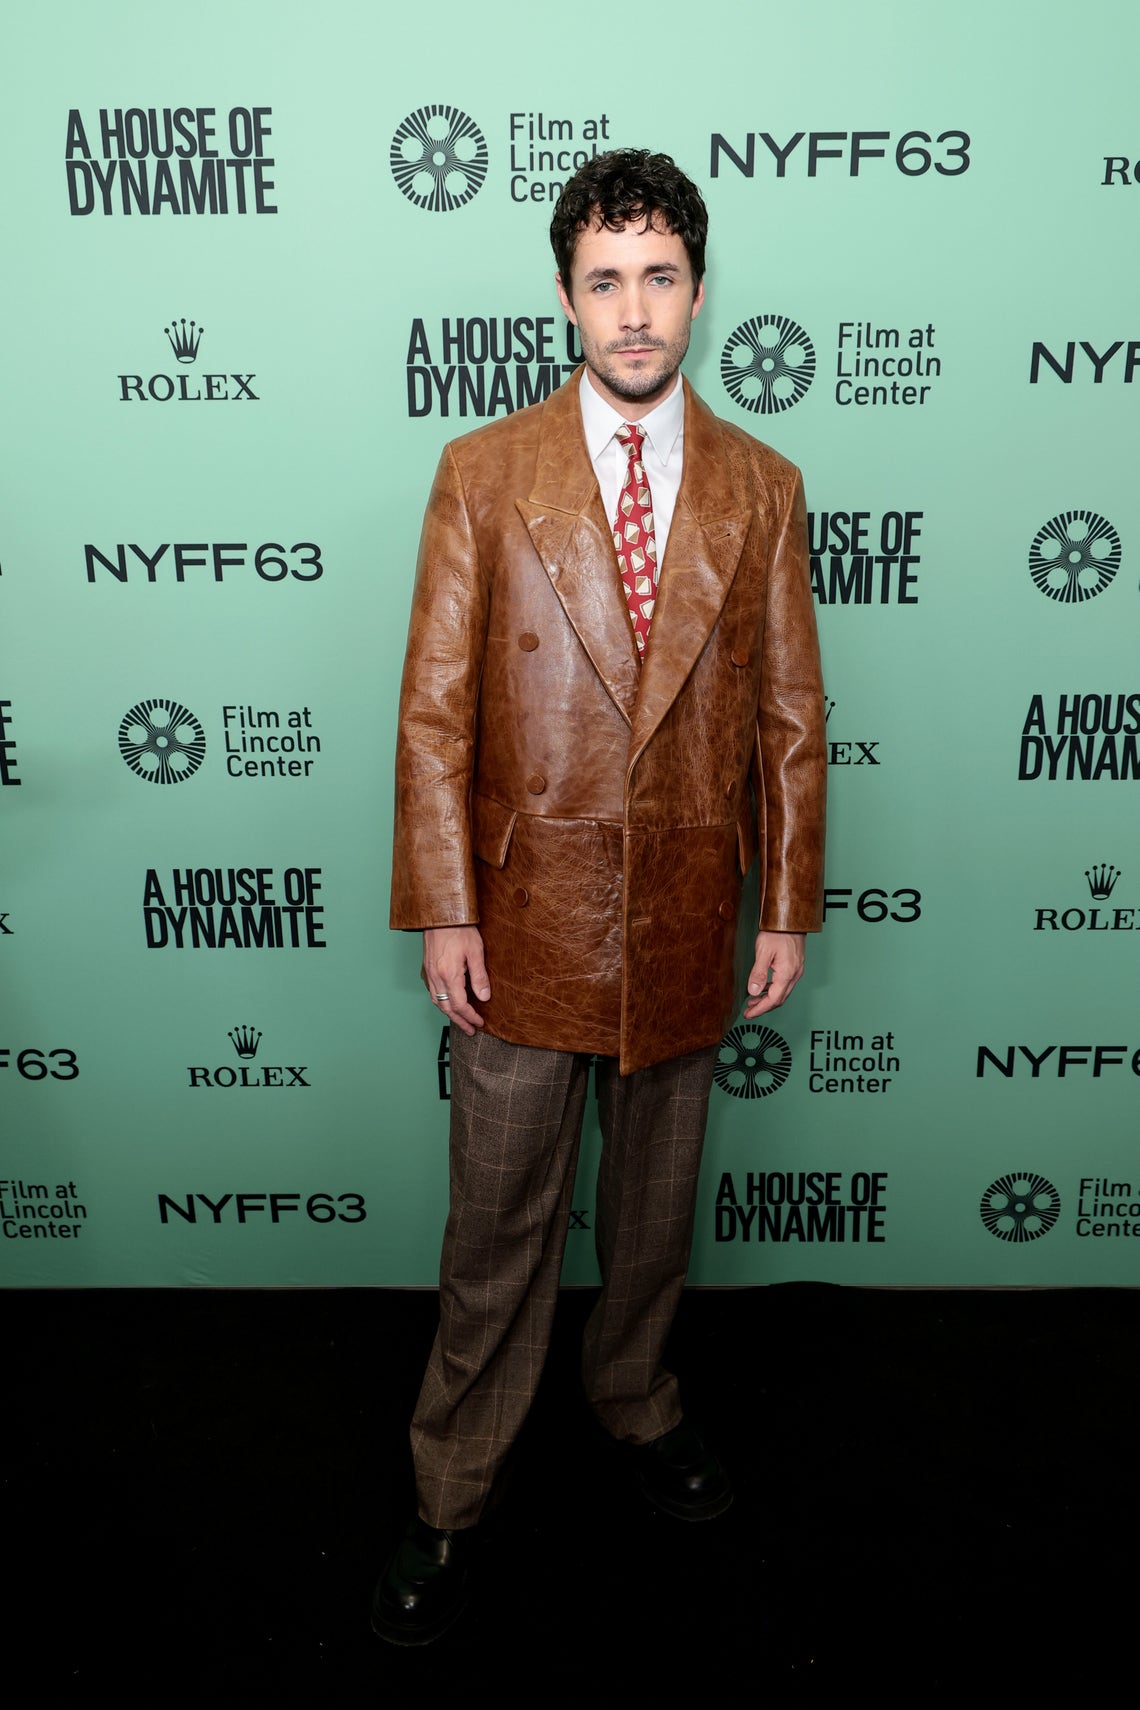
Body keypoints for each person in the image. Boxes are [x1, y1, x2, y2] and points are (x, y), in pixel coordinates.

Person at [374, 148, 826, 1646]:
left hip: (689, 913)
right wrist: (446, 906)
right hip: (523, 923)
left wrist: (785, 903)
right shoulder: (484, 471)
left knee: (651, 1214)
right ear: (566, 298)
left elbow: (791, 718)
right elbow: (435, 711)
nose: (635, 311)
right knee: (495, 1227)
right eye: (605, 281)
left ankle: (636, 1396)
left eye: (661, 278)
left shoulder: (765, 486)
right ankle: (453, 1481)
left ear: (699, 290)